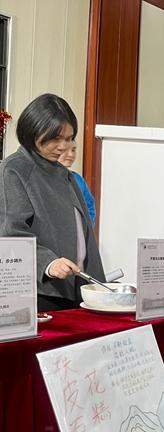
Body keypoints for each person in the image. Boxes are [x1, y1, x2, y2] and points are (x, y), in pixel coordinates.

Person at [0, 93, 106, 311]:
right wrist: (48, 263)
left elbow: (84, 234)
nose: (63, 146)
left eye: (69, 139)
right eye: (55, 139)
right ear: (33, 133)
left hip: (77, 290)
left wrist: (100, 287)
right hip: (42, 293)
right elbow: (10, 234)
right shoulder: (14, 170)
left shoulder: (65, 175)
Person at [58, 142, 96, 225]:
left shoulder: (78, 179)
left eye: (73, 150)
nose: (71, 155)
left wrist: (86, 228)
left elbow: (89, 206)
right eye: (65, 150)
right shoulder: (41, 179)